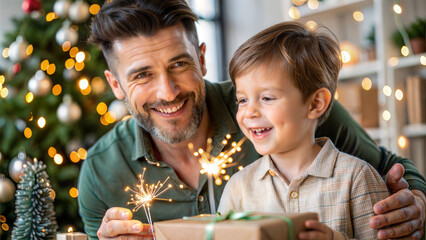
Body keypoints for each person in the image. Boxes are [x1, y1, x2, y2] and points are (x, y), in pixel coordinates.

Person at [77, 0, 426, 239]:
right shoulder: (102, 171)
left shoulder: (287, 105)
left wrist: (418, 203)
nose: (167, 92)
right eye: (142, 75)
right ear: (115, 84)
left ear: (201, 58)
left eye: (179, 64)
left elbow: (393, 169)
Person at [217, 21, 390, 240]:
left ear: (315, 104)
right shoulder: (239, 188)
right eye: (242, 99)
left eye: (267, 98)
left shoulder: (356, 178)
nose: (249, 112)